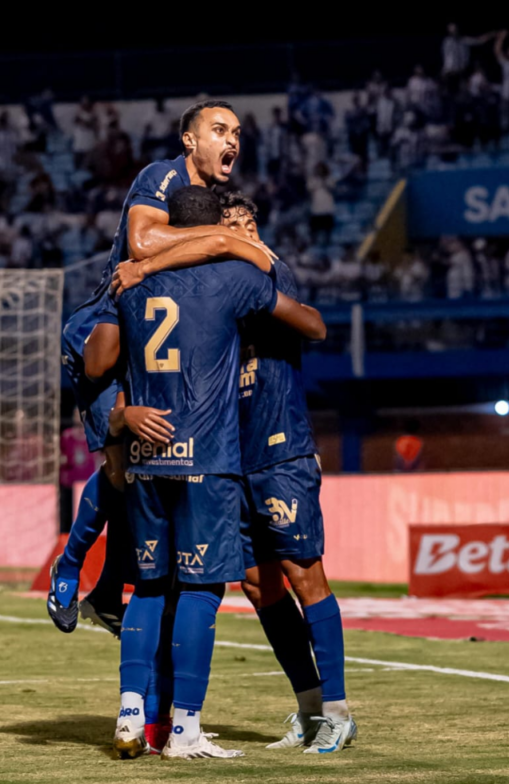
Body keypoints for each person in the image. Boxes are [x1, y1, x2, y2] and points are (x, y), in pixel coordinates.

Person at [110, 185, 325, 760]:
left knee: (149, 587)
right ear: (212, 231)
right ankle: (185, 730)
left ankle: (131, 712)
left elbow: (101, 358)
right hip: (207, 455)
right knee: (202, 588)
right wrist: (242, 246)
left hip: (145, 455)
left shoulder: (128, 284)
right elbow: (308, 322)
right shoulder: (234, 278)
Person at [51, 100, 268, 638]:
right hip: (105, 327)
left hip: (152, 338)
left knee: (147, 472)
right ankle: (70, 566)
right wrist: (225, 241)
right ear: (190, 140)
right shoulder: (162, 176)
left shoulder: (214, 203)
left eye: (237, 132)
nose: (232, 140)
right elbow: (142, 242)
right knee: (121, 471)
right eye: (219, 130)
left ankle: (108, 592)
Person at [219, 191, 356, 753]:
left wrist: (245, 247)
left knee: (304, 576)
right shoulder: (217, 293)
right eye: (230, 224)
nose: (242, 232)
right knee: (256, 585)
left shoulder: (273, 271)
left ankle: (339, 712)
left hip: (282, 452)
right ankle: (309, 706)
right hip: (235, 457)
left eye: (247, 222)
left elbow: (311, 324)